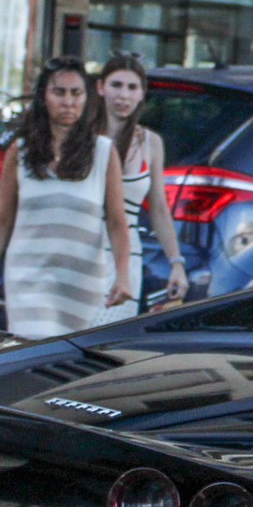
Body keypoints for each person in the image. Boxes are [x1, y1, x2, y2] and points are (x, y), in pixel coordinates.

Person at [0, 57, 131, 337]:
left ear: (86, 98)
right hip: (28, 280)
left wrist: (123, 276)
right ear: (44, 97)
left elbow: (117, 221)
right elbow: (1, 221)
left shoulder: (103, 152)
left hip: (82, 283)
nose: (68, 101)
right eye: (59, 92)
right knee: (31, 355)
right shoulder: (20, 152)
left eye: (76, 93)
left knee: (70, 370)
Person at [95, 52, 187, 322]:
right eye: (116, 85)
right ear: (101, 88)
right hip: (83, 250)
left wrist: (176, 263)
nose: (124, 95)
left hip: (127, 259)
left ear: (142, 93)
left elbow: (158, 207)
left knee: (110, 344)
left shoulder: (151, 142)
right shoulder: (83, 137)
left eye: (132, 87)